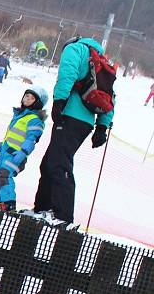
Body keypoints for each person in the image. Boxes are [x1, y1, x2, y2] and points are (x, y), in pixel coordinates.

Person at [23, 36, 114, 227]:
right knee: (50, 162)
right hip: (86, 121)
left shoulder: (75, 49)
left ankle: (63, 215)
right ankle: (42, 208)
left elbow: (67, 74)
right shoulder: (101, 61)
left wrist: (59, 102)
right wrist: (102, 126)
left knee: (59, 164)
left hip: (69, 116)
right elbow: (110, 97)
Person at [0, 85, 48, 212]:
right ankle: (0, 201)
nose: (27, 99)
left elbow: (31, 139)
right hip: (6, 152)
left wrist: (23, 152)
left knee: (5, 175)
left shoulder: (35, 120)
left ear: (37, 103)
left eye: (31, 98)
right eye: (26, 96)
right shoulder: (19, 116)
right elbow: (9, 137)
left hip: (16, 155)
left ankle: (9, 203)